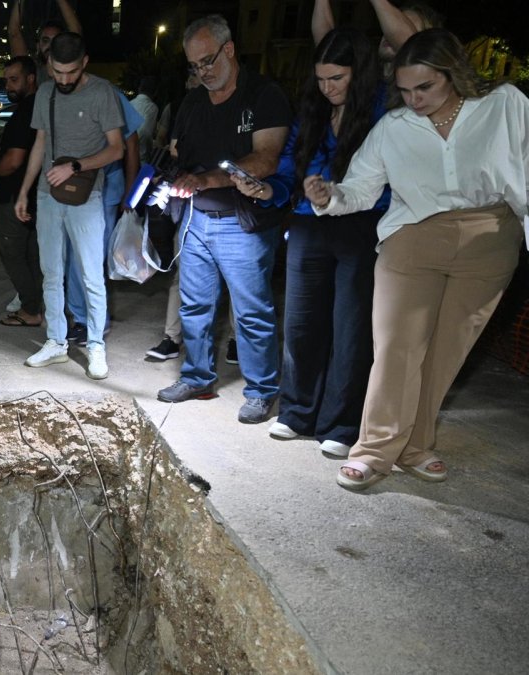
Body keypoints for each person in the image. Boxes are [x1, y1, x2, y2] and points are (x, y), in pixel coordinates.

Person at [305, 29, 529, 491]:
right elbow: (360, 191)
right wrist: (330, 195)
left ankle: (415, 446)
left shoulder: (504, 105)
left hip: (490, 239)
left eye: (424, 87)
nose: (414, 99)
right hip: (412, 239)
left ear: (452, 73)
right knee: (395, 351)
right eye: (405, 90)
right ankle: (372, 451)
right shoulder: (394, 127)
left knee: (446, 356)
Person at [232, 28, 385, 457]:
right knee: (300, 324)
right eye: (321, 79)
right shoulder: (312, 110)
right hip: (306, 224)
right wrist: (268, 191)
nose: (328, 87)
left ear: (360, 74)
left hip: (361, 225)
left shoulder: (381, 110)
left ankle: (340, 424)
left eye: (337, 78)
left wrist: (334, 193)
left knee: (350, 328)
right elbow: (287, 168)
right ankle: (296, 413)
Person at [155, 15, 291, 424]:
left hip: (242, 222)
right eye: (194, 66)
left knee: (251, 312)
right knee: (194, 305)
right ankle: (197, 376)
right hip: (196, 218)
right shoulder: (194, 101)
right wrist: (171, 178)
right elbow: (177, 152)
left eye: (208, 61)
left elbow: (266, 158)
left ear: (229, 49)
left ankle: (262, 390)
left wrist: (206, 179)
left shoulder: (264, 94)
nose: (203, 72)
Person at [15, 32, 125, 381]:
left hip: (85, 195)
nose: (63, 80)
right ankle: (56, 342)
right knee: (51, 272)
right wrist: (24, 191)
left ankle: (95, 344)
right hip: (48, 195)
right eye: (57, 72)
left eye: (71, 73)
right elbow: (39, 145)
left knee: (91, 273)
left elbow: (117, 149)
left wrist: (76, 165)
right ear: (49, 64)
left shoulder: (102, 92)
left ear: (84, 63)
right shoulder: (45, 92)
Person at [63, 77, 141, 346]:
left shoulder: (109, 93)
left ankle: (93, 323)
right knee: (71, 257)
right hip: (71, 189)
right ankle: (79, 318)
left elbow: (130, 144)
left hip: (106, 188)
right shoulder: (56, 93)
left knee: (89, 258)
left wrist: (130, 192)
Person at [0, 55, 43, 329]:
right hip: (37, 197)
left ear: (31, 79)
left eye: (14, 79)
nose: (8, 85)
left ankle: (30, 308)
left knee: (14, 257)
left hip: (15, 198)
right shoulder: (42, 107)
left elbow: (13, 160)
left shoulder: (25, 112)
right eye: (6, 80)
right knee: (34, 258)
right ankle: (38, 308)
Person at [313, 0, 441, 72]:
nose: (389, 33)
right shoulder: (367, 76)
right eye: (388, 24)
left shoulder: (421, 84)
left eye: (404, 26)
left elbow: (408, 45)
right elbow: (328, 47)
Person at [8, 0, 81, 82]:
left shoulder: (70, 67)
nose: (50, 45)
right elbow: (14, 34)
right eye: (45, 40)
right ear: (38, 46)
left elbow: (76, 33)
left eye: (55, 40)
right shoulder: (31, 70)